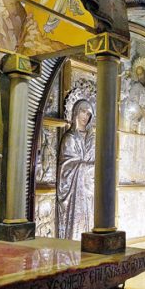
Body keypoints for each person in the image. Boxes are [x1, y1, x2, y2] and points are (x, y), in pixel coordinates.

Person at [56, 100, 95, 240]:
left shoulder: (93, 139)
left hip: (90, 191)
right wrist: (90, 167)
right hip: (74, 193)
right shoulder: (69, 138)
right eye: (83, 112)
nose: (86, 116)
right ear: (75, 113)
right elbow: (66, 167)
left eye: (89, 114)